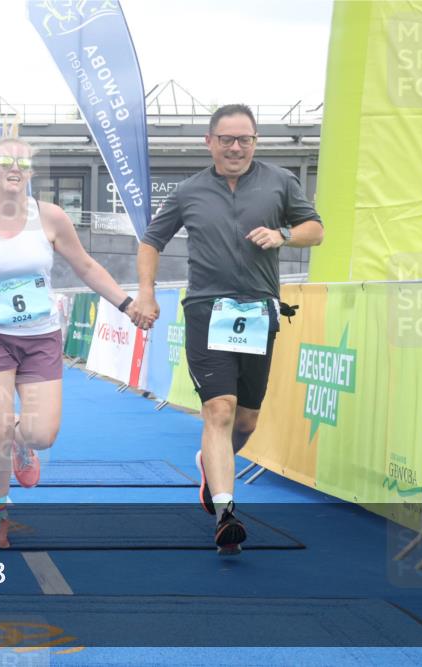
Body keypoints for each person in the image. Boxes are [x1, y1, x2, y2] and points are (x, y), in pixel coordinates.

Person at [131, 104, 324, 556]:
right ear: (209, 141)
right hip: (206, 310)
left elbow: (315, 230)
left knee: (246, 419)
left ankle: (210, 464)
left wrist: (283, 235)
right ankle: (225, 513)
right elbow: (151, 241)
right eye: (227, 139)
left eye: (245, 139)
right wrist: (146, 292)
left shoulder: (281, 182)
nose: (236, 147)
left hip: (259, 312)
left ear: (255, 141)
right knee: (218, 410)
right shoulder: (187, 191)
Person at [0, 126, 138, 548]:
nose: (15, 168)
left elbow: (85, 266)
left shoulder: (50, 217)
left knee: (43, 434)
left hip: (40, 338)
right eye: (7, 162)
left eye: (24, 163)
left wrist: (126, 303)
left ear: (30, 173)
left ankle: (21, 443)